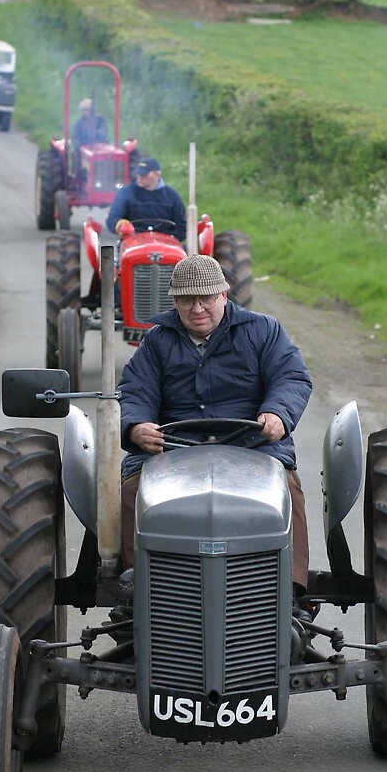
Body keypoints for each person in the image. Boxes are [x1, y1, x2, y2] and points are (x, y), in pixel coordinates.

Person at [116, 253, 313, 620]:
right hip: (173, 447)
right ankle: (137, 591)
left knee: (286, 488)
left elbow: (292, 377)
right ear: (174, 302)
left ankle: (290, 593)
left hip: (251, 443)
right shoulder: (157, 343)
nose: (198, 308)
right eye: (187, 300)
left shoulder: (264, 331)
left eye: (206, 297)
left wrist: (277, 413)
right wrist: (137, 426)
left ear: (224, 294)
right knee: (133, 489)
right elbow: (135, 391)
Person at [106, 156, 186, 242]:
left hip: (165, 244)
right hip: (133, 242)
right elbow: (112, 218)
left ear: (157, 174)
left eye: (144, 174)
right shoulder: (126, 192)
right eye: (139, 174)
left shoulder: (172, 196)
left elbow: (182, 224)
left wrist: (171, 239)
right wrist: (119, 225)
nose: (140, 177)